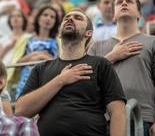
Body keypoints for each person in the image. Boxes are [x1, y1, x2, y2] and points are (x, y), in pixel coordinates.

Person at [15, 8, 126, 136]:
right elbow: (21, 111)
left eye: (78, 18)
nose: (70, 19)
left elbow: (118, 110)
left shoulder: (101, 64)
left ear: (88, 33)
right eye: (66, 18)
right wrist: (60, 80)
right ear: (59, 33)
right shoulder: (41, 68)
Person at [88, 0, 155, 136]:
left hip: (141, 119)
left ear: (139, 14)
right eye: (119, 2)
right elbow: (85, 81)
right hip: (102, 122)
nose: (124, 3)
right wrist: (112, 56)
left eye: (129, 1)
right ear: (113, 16)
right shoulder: (97, 47)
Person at [6, 5, 61, 99]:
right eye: (45, 15)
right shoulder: (25, 39)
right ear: (38, 18)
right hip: (27, 78)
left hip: (49, 79)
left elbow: (61, 62)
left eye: (52, 17)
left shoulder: (59, 41)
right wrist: (34, 55)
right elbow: (17, 62)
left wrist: (45, 57)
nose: (48, 18)